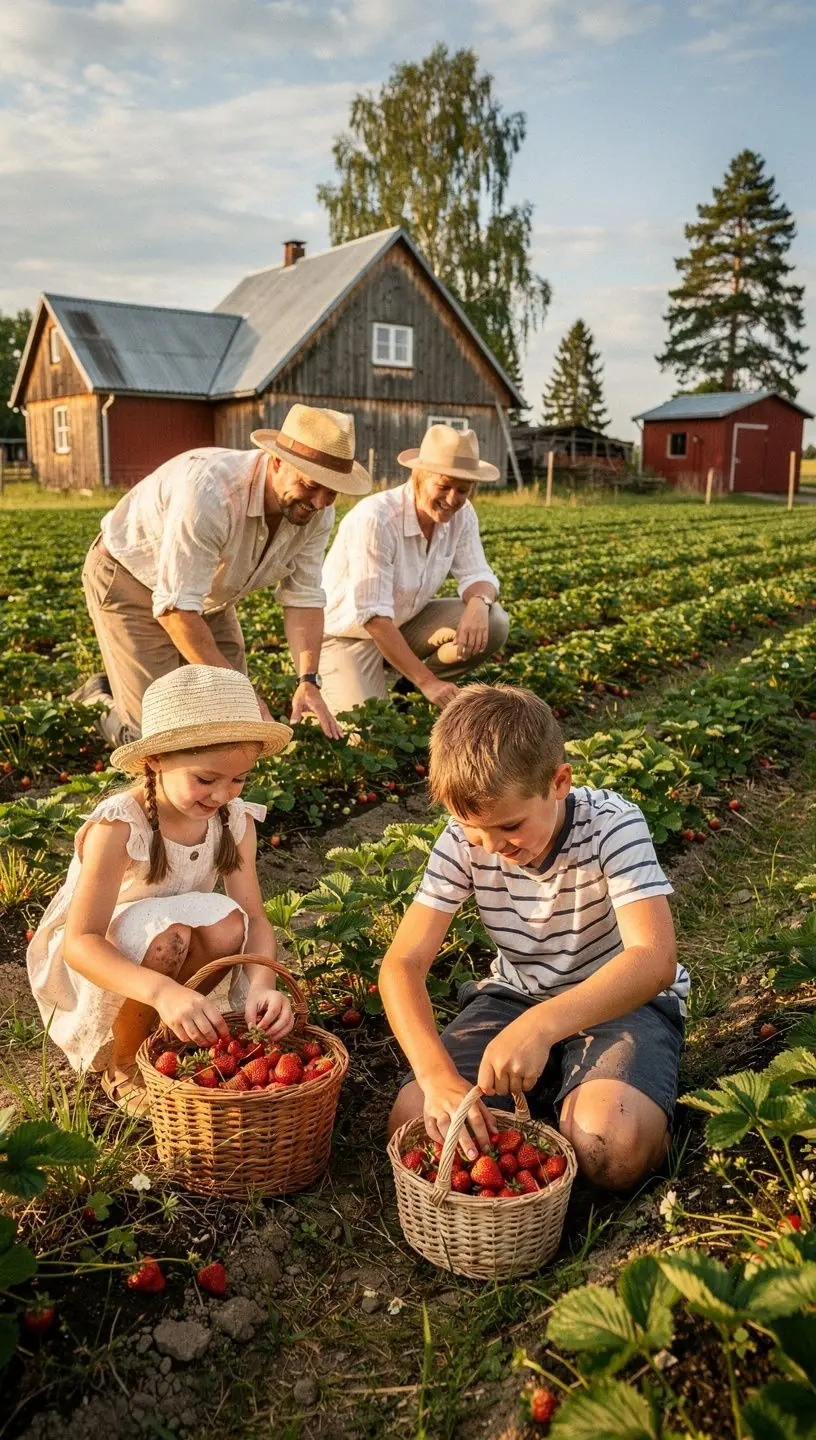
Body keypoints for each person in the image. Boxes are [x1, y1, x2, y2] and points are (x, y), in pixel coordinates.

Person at [380, 685, 688, 1190]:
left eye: (510, 826)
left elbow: (653, 959)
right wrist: (435, 1076)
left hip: (621, 1001)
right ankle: (553, 1105)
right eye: (474, 831)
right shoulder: (465, 839)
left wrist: (543, 1026)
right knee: (416, 1121)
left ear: (559, 781)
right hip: (513, 998)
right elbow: (403, 964)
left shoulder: (613, 825)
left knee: (610, 1150)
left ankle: (612, 1104)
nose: (493, 847)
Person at [27, 665, 295, 1116]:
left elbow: (257, 919)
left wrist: (261, 985)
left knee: (232, 922)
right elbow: (80, 943)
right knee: (172, 934)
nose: (222, 795)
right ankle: (125, 1060)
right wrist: (160, 991)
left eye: (238, 780)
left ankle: (169, 1039)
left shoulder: (235, 820)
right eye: (206, 780)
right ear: (156, 760)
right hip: (102, 961)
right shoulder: (119, 825)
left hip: (169, 940)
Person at [75, 404, 371, 746]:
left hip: (206, 595)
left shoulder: (318, 512)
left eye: (332, 492)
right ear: (277, 462)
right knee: (157, 738)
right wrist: (243, 692)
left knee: (234, 721)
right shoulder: (210, 493)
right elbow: (177, 612)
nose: (320, 502)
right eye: (310, 485)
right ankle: (95, 700)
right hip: (131, 581)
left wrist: (308, 680)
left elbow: (303, 596)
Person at [318, 424, 509, 716]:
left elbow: (478, 574)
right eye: (443, 486)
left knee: (494, 621)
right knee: (370, 731)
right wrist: (428, 682)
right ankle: (337, 684)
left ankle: (408, 689)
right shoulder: (377, 519)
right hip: (347, 634)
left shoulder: (463, 514)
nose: (452, 499)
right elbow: (374, 617)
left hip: (404, 623)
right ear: (418, 476)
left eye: (463, 489)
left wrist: (479, 602)